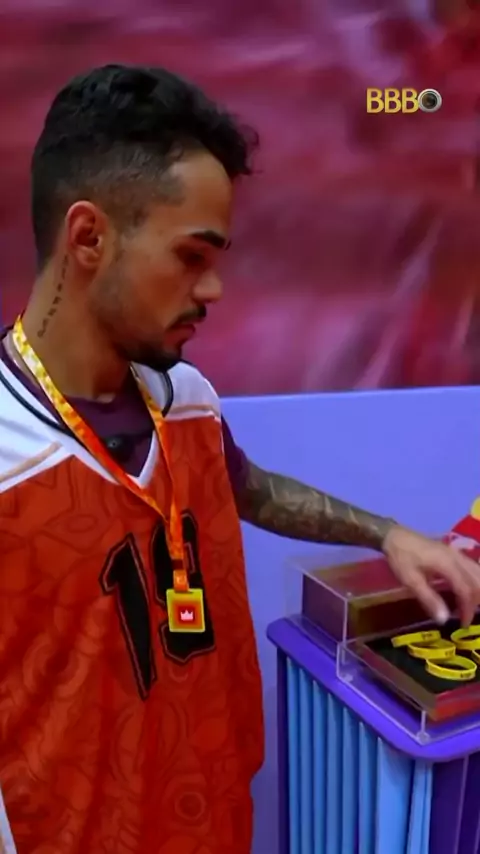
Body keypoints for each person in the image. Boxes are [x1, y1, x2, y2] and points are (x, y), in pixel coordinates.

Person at [0, 64, 478, 854]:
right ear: (88, 238)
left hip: (216, 822)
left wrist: (389, 535)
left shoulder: (187, 400)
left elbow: (245, 488)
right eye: (191, 256)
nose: (214, 288)